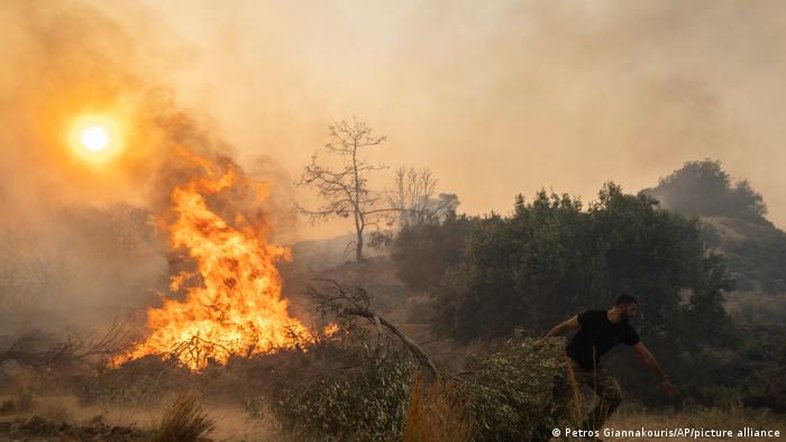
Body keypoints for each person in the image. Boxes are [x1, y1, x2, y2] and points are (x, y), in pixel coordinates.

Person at [535, 293, 675, 439]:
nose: (634, 314)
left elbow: (646, 356)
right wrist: (543, 342)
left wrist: (662, 378)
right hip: (571, 364)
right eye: (632, 309)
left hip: (593, 367)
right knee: (558, 406)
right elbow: (565, 326)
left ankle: (586, 433)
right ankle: (537, 437)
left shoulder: (626, 330)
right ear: (621, 306)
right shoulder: (592, 316)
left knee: (614, 396)